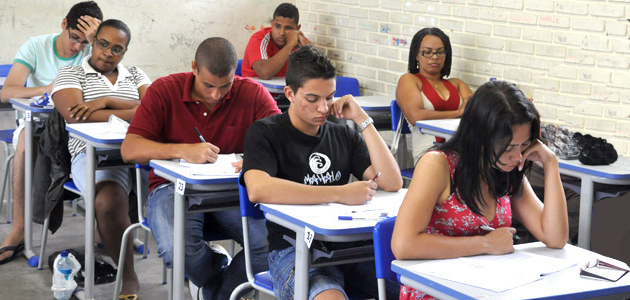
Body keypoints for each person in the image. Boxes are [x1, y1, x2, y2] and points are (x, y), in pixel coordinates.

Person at [120, 37, 280, 300]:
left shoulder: (251, 92)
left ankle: (218, 295)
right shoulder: (164, 90)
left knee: (270, 246)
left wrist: (259, 158)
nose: (215, 94)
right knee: (176, 250)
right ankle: (217, 269)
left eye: (225, 86)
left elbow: (282, 140)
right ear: (194, 67)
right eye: (208, 85)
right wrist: (182, 150)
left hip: (230, 192)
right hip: (171, 189)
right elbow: (130, 149)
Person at [242, 45, 403, 300]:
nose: (323, 108)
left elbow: (392, 182)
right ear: (290, 94)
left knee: (417, 293)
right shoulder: (265, 132)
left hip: (351, 251)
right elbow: (258, 189)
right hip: (294, 251)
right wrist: (339, 193)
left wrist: (362, 120)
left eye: (329, 97)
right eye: (312, 99)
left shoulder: (342, 134)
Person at [391, 80, 569, 300]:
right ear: (480, 139)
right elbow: (403, 245)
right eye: (509, 147)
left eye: (524, 145)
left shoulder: (506, 171)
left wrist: (551, 164)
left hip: (489, 290)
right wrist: (485, 244)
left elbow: (555, 238)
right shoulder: (438, 165)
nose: (518, 156)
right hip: (435, 291)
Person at [51, 19, 151, 299]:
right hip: (94, 155)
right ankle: (127, 275)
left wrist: (107, 102)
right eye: (103, 44)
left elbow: (156, 108)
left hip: (142, 151)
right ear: (93, 42)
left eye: (117, 49)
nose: (108, 52)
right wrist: (135, 109)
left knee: (179, 192)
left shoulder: (134, 73)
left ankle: (194, 266)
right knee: (108, 201)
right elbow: (75, 116)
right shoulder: (70, 73)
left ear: (125, 52)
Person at [0, 1, 103, 265]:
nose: (78, 47)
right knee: (24, 143)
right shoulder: (36, 46)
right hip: (36, 125)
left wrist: (98, 43)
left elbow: (110, 87)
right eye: (75, 38)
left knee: (106, 149)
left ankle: (105, 226)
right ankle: (19, 229)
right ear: (64, 25)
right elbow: (8, 91)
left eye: (85, 42)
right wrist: (49, 88)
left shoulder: (94, 53)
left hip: (78, 127)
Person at [395, 27, 472, 162]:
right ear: (416, 55)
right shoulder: (409, 80)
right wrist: (458, 113)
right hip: (429, 154)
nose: (434, 57)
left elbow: (474, 112)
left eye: (440, 52)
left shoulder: (457, 84)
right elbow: (416, 116)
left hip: (461, 150)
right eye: (427, 52)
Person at [241, 2, 312, 80]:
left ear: (297, 29)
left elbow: (321, 70)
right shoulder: (258, 39)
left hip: (284, 90)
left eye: (288, 28)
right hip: (255, 90)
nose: (282, 33)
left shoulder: (298, 40)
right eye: (277, 26)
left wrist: (307, 49)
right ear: (272, 24)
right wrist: (290, 45)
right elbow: (264, 73)